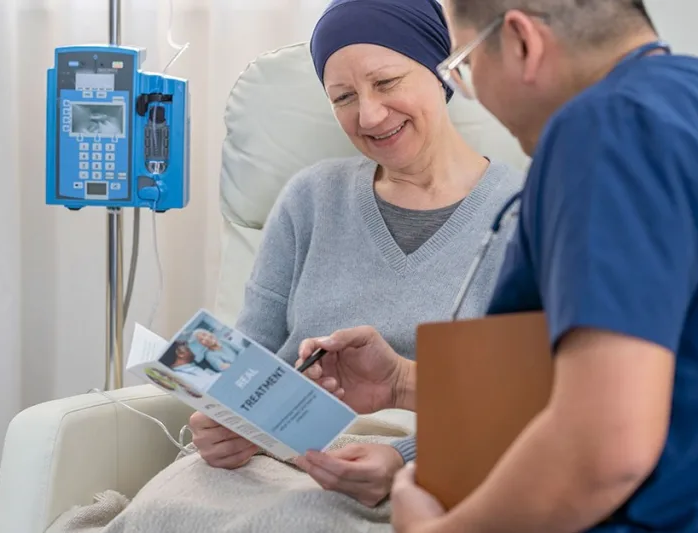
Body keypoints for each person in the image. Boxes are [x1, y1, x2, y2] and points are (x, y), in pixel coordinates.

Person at [297, 1, 698, 532]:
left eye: (464, 66)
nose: (472, 94)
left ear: (521, 40)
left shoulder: (609, 128)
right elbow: (630, 381)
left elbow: (604, 447)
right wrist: (400, 382)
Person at [188, 0, 524, 509]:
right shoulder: (310, 199)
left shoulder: (525, 214)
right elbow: (247, 361)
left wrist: (409, 457)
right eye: (343, 96)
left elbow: (529, 399)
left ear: (443, 70)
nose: (368, 114)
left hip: (442, 463)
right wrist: (223, 423)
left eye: (386, 82)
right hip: (274, 458)